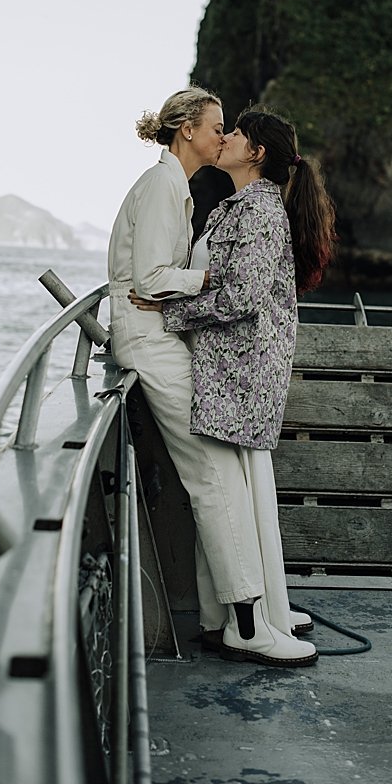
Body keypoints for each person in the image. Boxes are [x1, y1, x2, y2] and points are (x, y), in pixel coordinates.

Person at [109, 88, 317, 667]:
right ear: (186, 131)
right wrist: (207, 283)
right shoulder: (162, 187)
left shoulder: (181, 189)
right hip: (152, 343)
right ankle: (245, 623)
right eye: (216, 125)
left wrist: (201, 287)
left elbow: (169, 281)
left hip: (164, 337)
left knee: (219, 474)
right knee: (215, 474)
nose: (222, 135)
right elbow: (150, 279)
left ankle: (226, 616)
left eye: (230, 129)